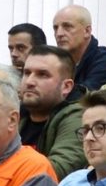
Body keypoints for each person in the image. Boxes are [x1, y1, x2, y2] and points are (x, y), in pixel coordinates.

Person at [18, 46, 88, 177]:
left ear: (66, 87)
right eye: (27, 73)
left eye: (42, 75)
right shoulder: (13, 114)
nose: (29, 82)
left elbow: (57, 170)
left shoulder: (79, 117)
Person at [50, 4, 106, 95]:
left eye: (67, 27)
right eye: (55, 28)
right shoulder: (56, 62)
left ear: (87, 31)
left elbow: (82, 98)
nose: (59, 34)